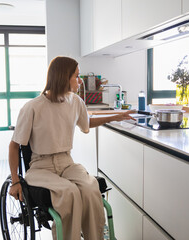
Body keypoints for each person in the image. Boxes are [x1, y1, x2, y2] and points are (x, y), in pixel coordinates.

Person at [8, 56, 135, 240]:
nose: (80, 80)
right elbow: (14, 145)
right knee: (69, 193)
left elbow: (86, 123)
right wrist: (15, 180)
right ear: (62, 77)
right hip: (40, 167)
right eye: (76, 75)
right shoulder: (32, 107)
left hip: (67, 162)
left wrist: (113, 117)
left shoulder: (75, 102)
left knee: (91, 189)